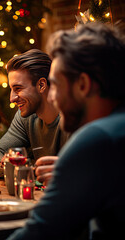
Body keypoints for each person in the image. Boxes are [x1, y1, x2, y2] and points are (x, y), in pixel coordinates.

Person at [7, 22, 125, 240]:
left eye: (56, 85)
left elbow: (39, 233)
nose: (51, 97)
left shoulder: (97, 138)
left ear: (83, 84)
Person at [0, 49, 69, 177]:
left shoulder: (72, 117)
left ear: (41, 85)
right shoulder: (25, 118)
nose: (12, 98)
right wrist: (12, 166)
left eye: (18, 89)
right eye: (11, 90)